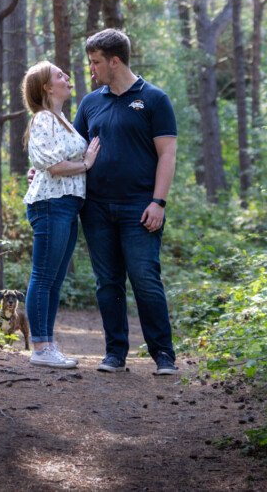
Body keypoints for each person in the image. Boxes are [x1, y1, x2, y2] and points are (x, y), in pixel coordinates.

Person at [73, 28, 180, 376]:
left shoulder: (154, 99)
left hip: (139, 207)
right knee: (108, 282)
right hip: (97, 208)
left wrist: (158, 202)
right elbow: (72, 150)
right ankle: (115, 354)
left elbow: (167, 154)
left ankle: (163, 355)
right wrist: (41, 172)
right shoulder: (91, 103)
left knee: (145, 277)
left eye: (96, 62)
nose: (92, 70)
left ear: (114, 61)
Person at [22, 61, 101, 368]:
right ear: (46, 87)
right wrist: (86, 163)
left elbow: (46, 164)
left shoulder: (61, 119)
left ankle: (48, 344)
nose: (66, 78)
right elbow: (53, 167)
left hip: (67, 204)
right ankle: (41, 347)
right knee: (43, 276)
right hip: (51, 203)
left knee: (54, 279)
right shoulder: (43, 119)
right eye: (59, 75)